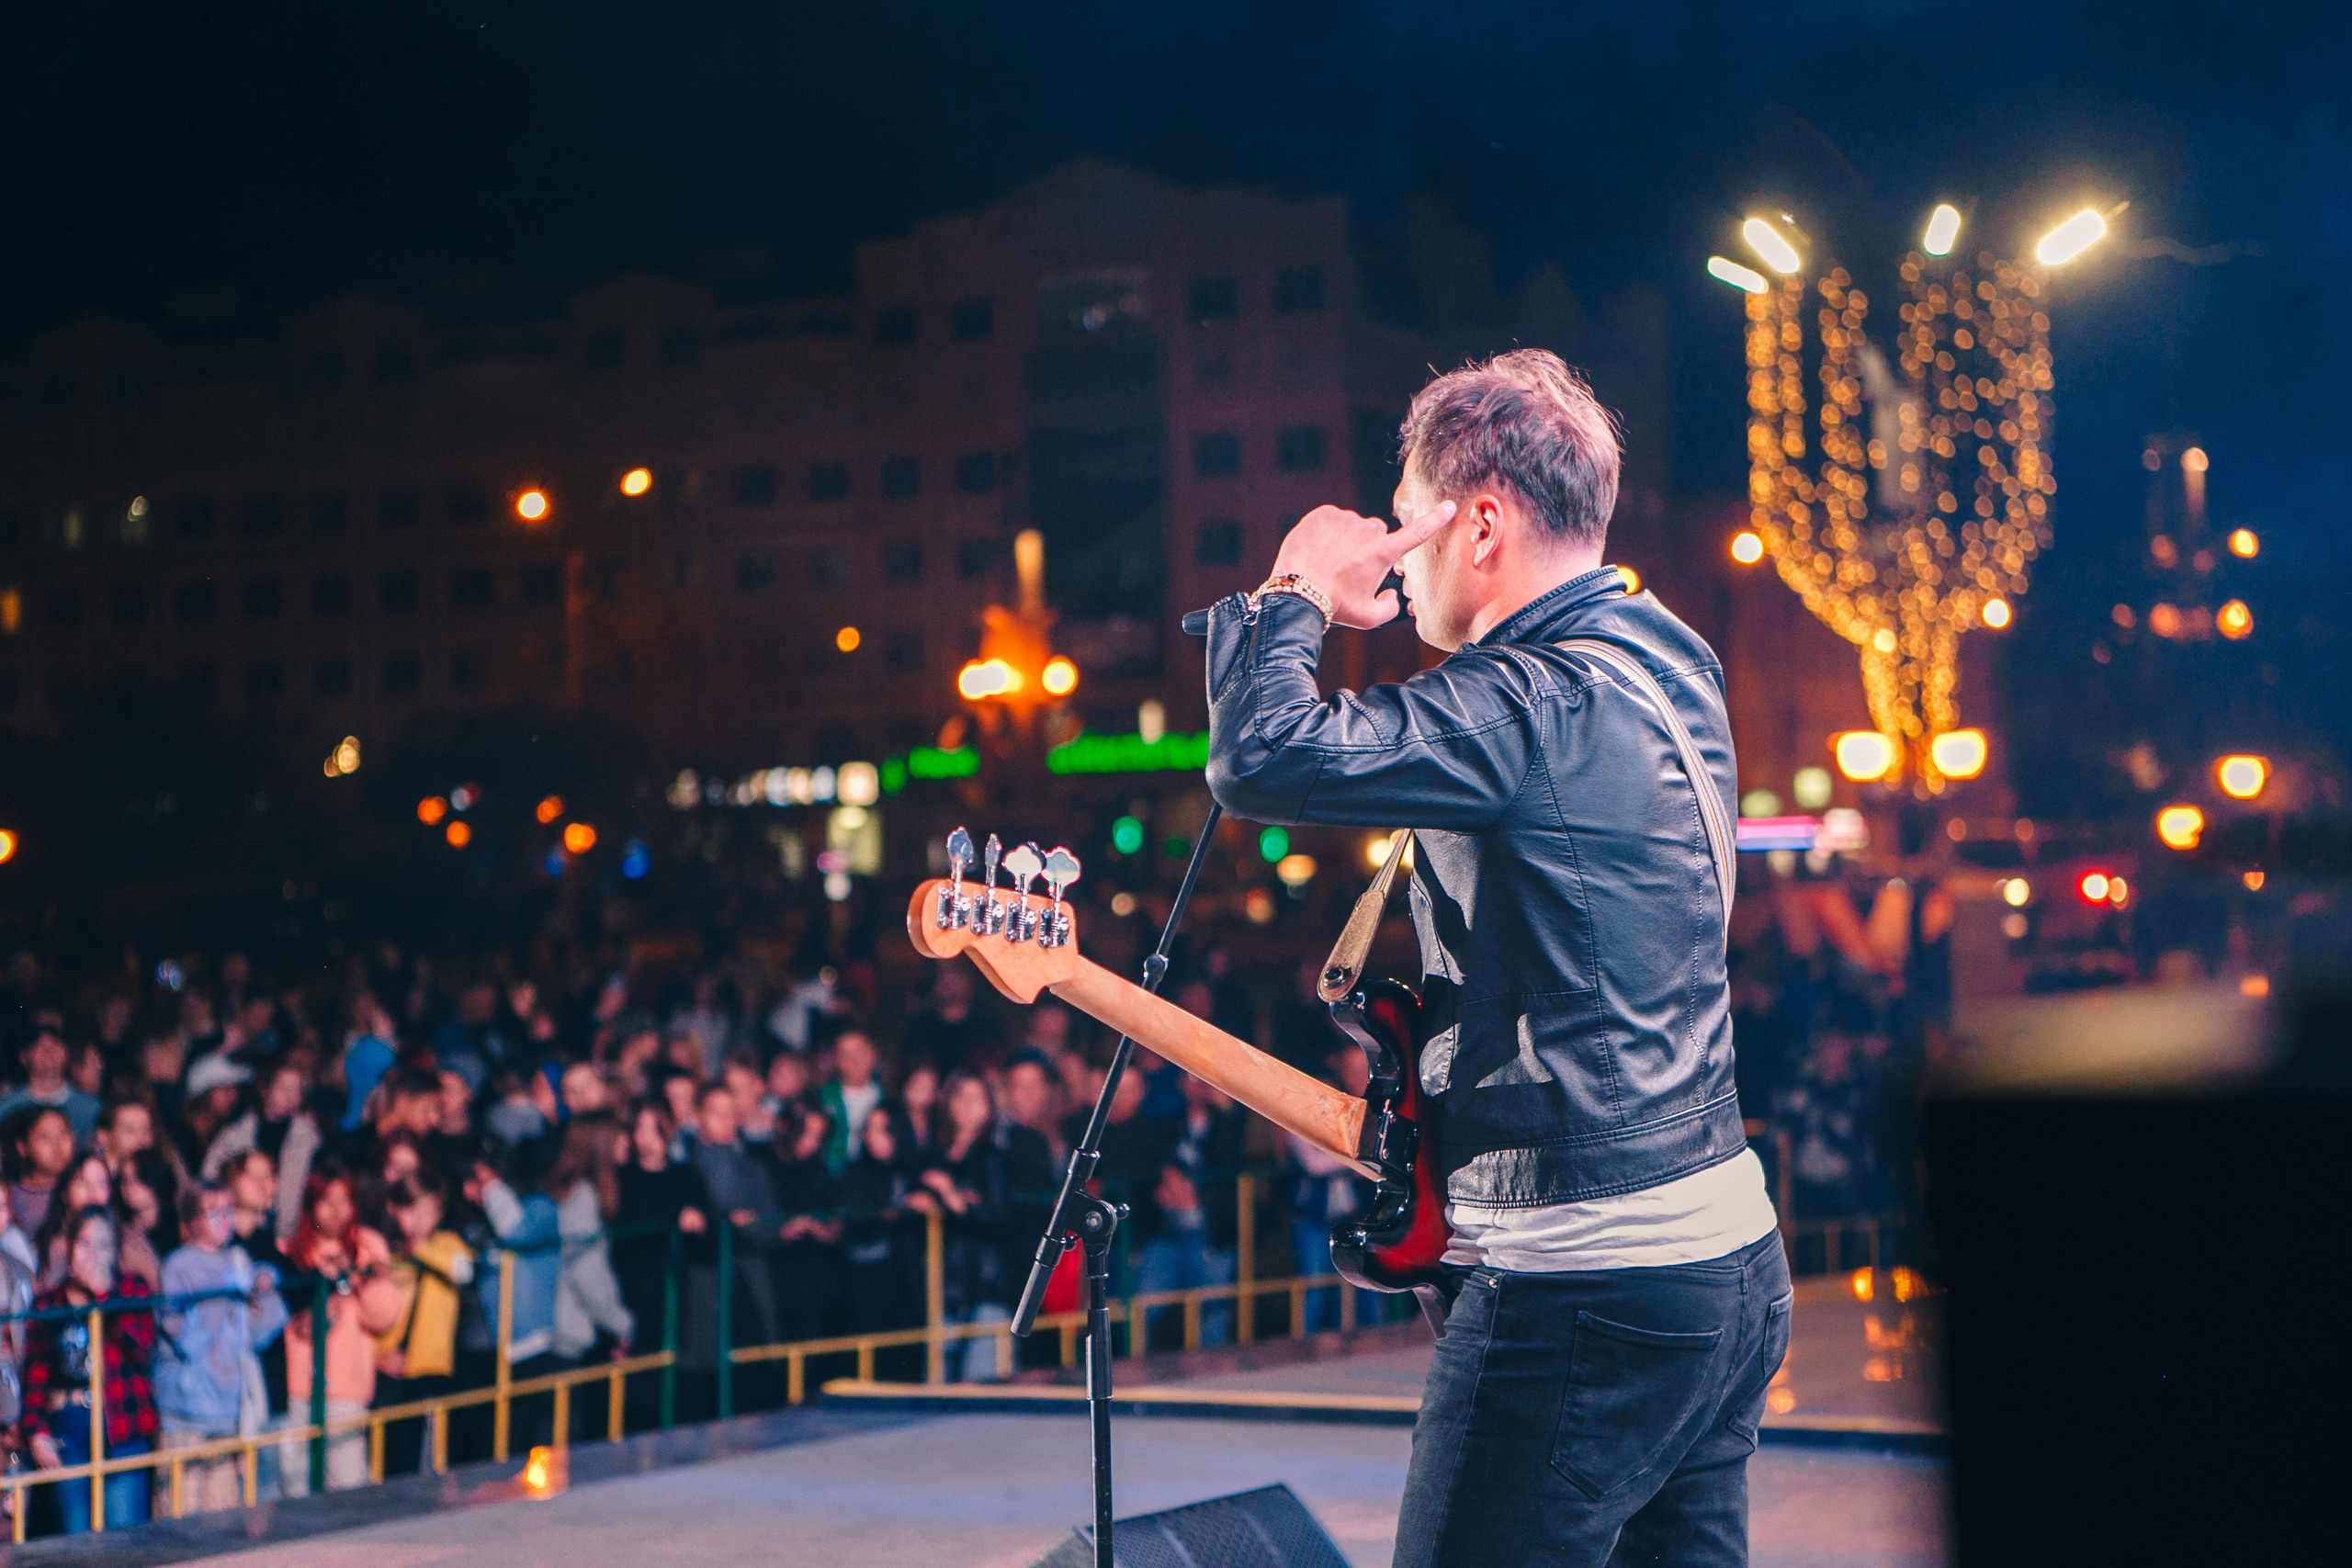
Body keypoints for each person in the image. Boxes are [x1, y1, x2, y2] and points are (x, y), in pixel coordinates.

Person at [1200, 349, 1785, 1567]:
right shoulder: (1670, 650)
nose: (1395, 558)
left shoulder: (1525, 697)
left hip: (1584, 1282)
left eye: (1405, 521)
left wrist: (1296, 589)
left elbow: (1261, 754)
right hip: (1726, 1254)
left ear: (1477, 523)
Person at [18, 1207, 158, 1531]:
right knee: (76, 1536)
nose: (93, 1255)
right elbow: (35, 1376)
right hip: (68, 1431)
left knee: (124, 1533)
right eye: (84, 1244)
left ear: (116, 1252)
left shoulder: (132, 1290)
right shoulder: (48, 1304)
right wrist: (36, 1432)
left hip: (122, 1427)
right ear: (68, 1247)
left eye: (104, 1245)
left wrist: (103, 1296)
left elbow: (140, 1347)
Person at [154, 1181, 287, 1512]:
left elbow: (258, 1333)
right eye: (214, 1213)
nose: (225, 1219)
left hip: (228, 1411)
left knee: (224, 1513)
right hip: (185, 1414)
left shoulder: (239, 1261)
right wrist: (221, 1298)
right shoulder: (178, 1266)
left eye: (229, 1210)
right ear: (191, 1221)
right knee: (179, 1511)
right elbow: (180, 1336)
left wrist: (264, 1289)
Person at [281, 1167, 401, 1494]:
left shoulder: (368, 1245)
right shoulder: (292, 1250)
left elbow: (385, 1315)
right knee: (296, 1487)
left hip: (347, 1391)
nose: (337, 1211)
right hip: (301, 1392)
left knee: (350, 1490)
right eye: (326, 1201)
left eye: (344, 1200)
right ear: (310, 1205)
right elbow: (296, 1325)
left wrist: (357, 1277)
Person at [374, 1171, 471, 1476]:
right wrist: (378, 1357)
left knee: (425, 1464)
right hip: (392, 1375)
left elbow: (464, 1271)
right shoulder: (385, 1255)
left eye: (427, 1210)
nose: (418, 1219)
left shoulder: (448, 1244)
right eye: (411, 1209)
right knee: (388, 1464)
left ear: (439, 1213)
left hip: (430, 1373)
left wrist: (420, 1250)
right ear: (395, 1211)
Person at [542, 1114, 634, 1391]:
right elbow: (585, 1270)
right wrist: (622, 1323)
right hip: (566, 1340)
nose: (626, 1141)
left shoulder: (577, 1192)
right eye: (618, 1135)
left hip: (570, 1335)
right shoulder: (583, 1198)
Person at [200, 1058, 322, 1235]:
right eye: (283, 1088)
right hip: (239, 1228)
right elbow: (208, 1178)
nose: (290, 1096)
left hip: (287, 1232)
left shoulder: (309, 1139)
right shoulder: (235, 1135)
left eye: (296, 1090)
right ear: (265, 1090)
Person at [0, 1023, 101, 1145]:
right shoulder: (7, 1108)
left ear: (65, 1053)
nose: (48, 1053)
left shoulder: (91, 1108)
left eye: (55, 1046)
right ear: (24, 1057)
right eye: (40, 1047)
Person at [814, 1030, 885, 1174]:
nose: (855, 1061)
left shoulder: (887, 1099)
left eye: (860, 1053)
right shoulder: (822, 1097)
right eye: (845, 1055)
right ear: (836, 1060)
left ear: (873, 1054)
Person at [6, 1106, 75, 1242]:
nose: (57, 1146)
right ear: (22, 1147)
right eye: (44, 1137)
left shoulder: (77, 1190)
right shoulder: (8, 1196)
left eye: (63, 1134)